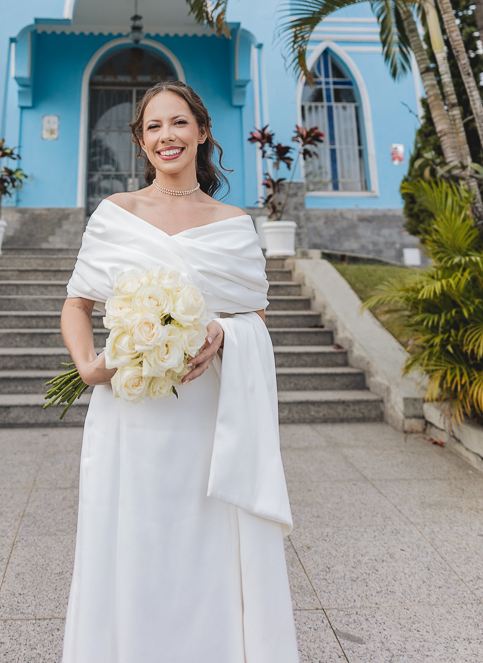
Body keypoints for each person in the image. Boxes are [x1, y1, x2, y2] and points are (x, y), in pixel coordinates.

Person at [60, 80, 299, 663]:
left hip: (205, 413)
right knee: (132, 538)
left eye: (179, 122)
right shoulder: (116, 214)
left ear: (202, 131)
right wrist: (88, 367)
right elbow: (77, 304)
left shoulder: (232, 221)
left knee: (203, 539)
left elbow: (254, 315)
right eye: (154, 126)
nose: (167, 136)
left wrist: (226, 333)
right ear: (141, 141)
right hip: (129, 411)